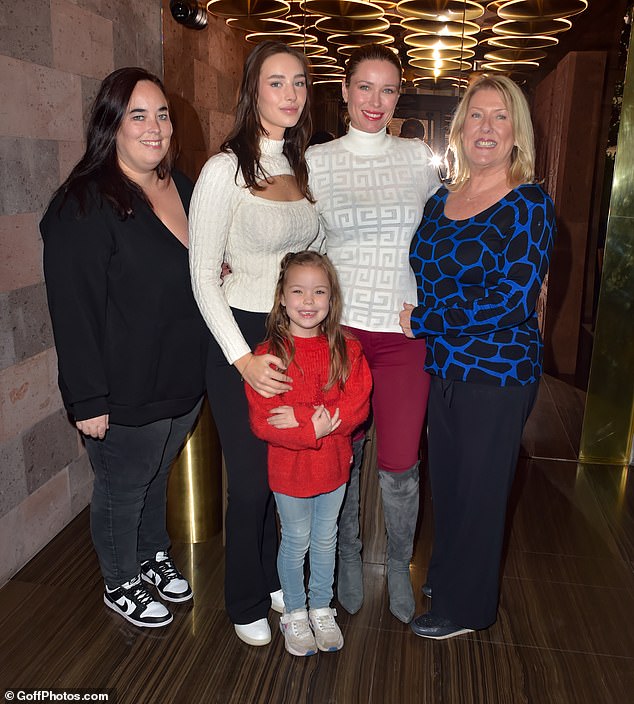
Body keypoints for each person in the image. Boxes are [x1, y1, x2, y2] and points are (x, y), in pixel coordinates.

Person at [40, 67, 208, 628]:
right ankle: (120, 579)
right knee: (122, 486)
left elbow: (196, 267)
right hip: (123, 384)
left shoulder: (183, 186)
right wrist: (87, 398)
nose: (154, 127)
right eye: (138, 115)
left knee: (156, 477)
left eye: (162, 114)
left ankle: (150, 555)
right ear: (111, 124)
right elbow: (73, 310)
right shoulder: (84, 204)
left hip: (182, 376)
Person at [400, 74, 556, 639]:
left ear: (517, 133)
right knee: (450, 484)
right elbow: (418, 262)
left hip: (497, 370)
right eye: (477, 116)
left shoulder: (529, 202)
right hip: (443, 366)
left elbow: (512, 301)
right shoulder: (442, 198)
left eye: (500, 117)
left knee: (482, 490)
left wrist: (425, 320)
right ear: (460, 127)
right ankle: (448, 579)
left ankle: (468, 611)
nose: (486, 128)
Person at [188, 41, 320, 646]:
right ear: (252, 90)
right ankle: (243, 594)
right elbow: (201, 275)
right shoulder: (224, 169)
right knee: (250, 478)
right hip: (239, 334)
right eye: (276, 83)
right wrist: (242, 359)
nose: (290, 94)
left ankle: (270, 573)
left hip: (291, 333)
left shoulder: (299, 166)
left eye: (299, 82)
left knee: (280, 465)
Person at [306, 44, 441, 623]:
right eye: (365, 87)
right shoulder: (315, 160)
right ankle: (348, 561)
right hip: (343, 335)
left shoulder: (417, 159)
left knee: (401, 464)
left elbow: (440, 246)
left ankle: (402, 565)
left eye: (388, 90)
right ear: (343, 90)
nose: (375, 101)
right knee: (344, 453)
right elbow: (301, 242)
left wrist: (438, 307)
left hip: (404, 335)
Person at [245, 251, 372, 656]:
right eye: (297, 291)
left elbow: (357, 405)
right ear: (282, 297)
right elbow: (264, 421)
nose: (308, 300)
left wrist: (303, 420)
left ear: (332, 299)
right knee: (295, 541)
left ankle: (321, 607)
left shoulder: (348, 350)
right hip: (289, 471)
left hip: (333, 466)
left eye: (319, 292)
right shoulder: (268, 355)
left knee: (325, 540)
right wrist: (313, 426)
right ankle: (294, 613)